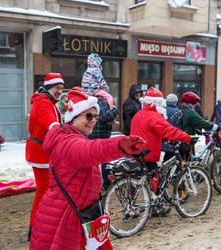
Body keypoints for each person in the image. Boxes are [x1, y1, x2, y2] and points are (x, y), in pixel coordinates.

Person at [29, 88, 145, 250]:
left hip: (80, 214)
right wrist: (119, 145)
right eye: (88, 116)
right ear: (72, 117)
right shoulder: (68, 142)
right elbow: (90, 150)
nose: (93, 120)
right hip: (67, 217)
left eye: (95, 116)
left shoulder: (70, 136)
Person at [130, 88, 191, 215]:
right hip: (149, 154)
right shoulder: (154, 116)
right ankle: (158, 207)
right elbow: (170, 131)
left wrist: (162, 139)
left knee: (136, 178)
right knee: (156, 179)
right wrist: (187, 137)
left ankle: (131, 206)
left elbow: (148, 132)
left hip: (136, 152)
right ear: (158, 103)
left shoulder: (138, 114)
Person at [25, 72, 64, 238]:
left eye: (61, 88)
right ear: (49, 87)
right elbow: (52, 124)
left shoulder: (48, 101)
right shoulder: (43, 103)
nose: (60, 91)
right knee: (43, 190)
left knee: (47, 189)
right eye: (57, 88)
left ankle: (40, 225)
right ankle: (34, 228)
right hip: (41, 153)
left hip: (43, 152)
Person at [88, 91, 119, 189]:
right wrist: (114, 109)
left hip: (93, 133)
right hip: (101, 134)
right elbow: (105, 116)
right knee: (105, 158)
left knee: (93, 159)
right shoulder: (101, 101)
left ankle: (92, 182)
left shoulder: (92, 101)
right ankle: (106, 183)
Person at [163, 93, 180, 162]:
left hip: (163, 138)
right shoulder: (177, 112)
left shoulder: (163, 110)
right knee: (171, 157)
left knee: (167, 156)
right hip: (172, 138)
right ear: (175, 102)